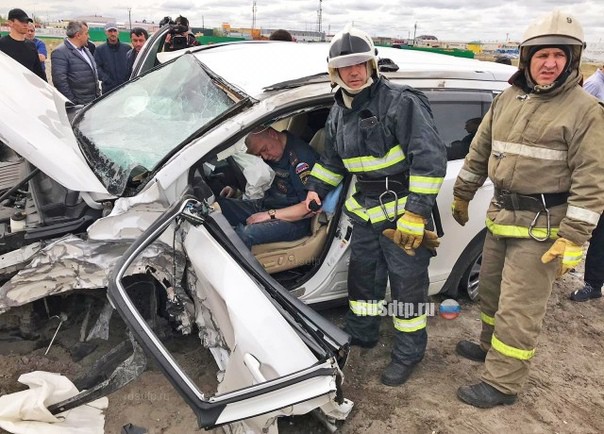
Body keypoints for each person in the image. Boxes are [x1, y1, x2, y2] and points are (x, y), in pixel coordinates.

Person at [451, 10, 604, 408]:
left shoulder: (585, 110)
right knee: (490, 292)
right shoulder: (507, 98)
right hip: (503, 216)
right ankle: (489, 347)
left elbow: (592, 178)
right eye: (542, 55)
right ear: (527, 59)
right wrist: (463, 192)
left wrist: (574, 238)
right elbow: (480, 149)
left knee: (520, 308)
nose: (550, 63)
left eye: (559, 54)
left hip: (543, 227)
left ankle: (503, 383)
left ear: (571, 59)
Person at [305, 25, 446, 387]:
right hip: (364, 212)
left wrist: (416, 213)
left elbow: (429, 161)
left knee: (407, 288)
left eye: (360, 64)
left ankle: (408, 354)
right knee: (363, 282)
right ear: (334, 73)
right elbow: (334, 160)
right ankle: (363, 335)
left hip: (402, 214)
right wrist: (316, 188)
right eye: (345, 66)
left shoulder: (401, 102)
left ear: (372, 65)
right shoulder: (338, 112)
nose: (354, 72)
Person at [217, 127, 319, 248]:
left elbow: (307, 209)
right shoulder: (275, 150)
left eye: (264, 150)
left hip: (296, 220)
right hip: (267, 205)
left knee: (243, 234)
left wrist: (268, 215)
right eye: (260, 154)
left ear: (272, 134)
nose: (264, 157)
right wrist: (236, 190)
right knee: (219, 207)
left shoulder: (301, 160)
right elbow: (259, 179)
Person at [569, 65, 604, 301]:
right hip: (596, 176)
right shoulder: (594, 88)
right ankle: (593, 282)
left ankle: (593, 283)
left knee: (600, 236)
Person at [51, 21, 101, 105]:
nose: (89, 36)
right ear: (78, 35)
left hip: (92, 102)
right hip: (78, 106)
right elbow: (60, 82)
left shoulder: (86, 50)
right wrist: (74, 103)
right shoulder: (60, 53)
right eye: (86, 33)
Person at [0, 8, 46, 81]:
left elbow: (38, 72)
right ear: (10, 23)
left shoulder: (31, 45)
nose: (25, 24)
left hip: (28, 88)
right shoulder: (2, 44)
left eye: (27, 21)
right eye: (21, 21)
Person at [94, 23, 130, 93]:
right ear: (106, 33)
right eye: (110, 31)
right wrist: (106, 79)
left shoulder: (127, 48)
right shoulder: (100, 50)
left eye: (115, 31)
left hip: (125, 88)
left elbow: (131, 66)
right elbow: (96, 67)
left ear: (118, 32)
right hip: (108, 89)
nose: (113, 34)